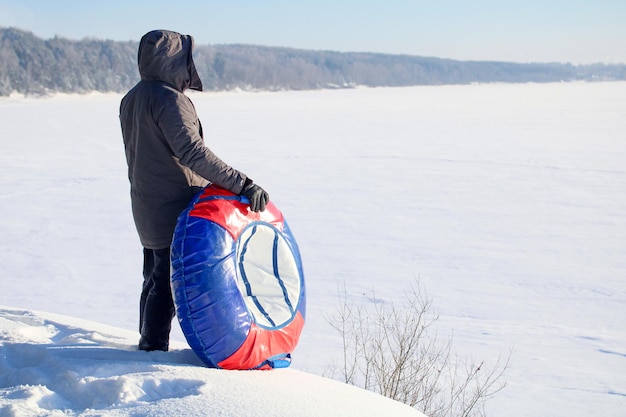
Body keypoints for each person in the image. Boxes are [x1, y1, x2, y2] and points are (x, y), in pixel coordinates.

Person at [120, 29, 269, 352]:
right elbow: (192, 152)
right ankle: (151, 348)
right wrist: (242, 183)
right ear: (175, 60)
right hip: (173, 203)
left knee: (155, 275)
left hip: (146, 202)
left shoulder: (132, 97)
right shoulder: (169, 100)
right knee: (167, 281)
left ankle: (148, 343)